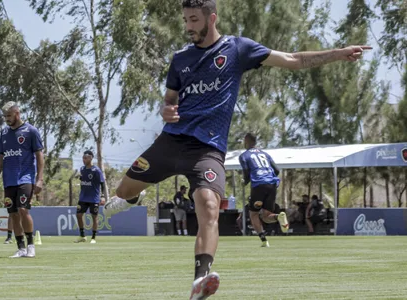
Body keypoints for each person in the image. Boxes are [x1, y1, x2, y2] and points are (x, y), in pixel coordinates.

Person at [103, 0, 371, 298]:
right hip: (170, 142)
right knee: (123, 191)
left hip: (207, 150)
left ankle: (199, 282)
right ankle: (132, 198)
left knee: (208, 206)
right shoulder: (180, 59)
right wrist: (167, 109)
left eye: (194, 19)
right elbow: (169, 99)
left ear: (211, 18)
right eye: (185, 20)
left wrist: (338, 54)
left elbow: (293, 59)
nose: (188, 26)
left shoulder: (237, 49)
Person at [0, 102, 44, 258]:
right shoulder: (5, 133)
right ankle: (20, 247)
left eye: (9, 116)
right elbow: (1, 157)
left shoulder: (31, 131)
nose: (6, 119)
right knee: (13, 213)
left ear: (17, 113)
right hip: (9, 180)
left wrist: (39, 179)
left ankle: (31, 246)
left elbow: (39, 156)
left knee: (23, 209)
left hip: (25, 177)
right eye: (5, 116)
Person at [239, 133, 288, 247]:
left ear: (246, 141)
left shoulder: (244, 156)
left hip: (258, 185)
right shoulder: (265, 154)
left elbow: (246, 173)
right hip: (271, 184)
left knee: (254, 214)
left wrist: (244, 182)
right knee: (266, 216)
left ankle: (264, 241)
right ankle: (278, 216)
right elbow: (276, 170)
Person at [74, 150, 106, 244]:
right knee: (79, 215)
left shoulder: (96, 170)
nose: (84, 160)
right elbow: (84, 179)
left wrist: (102, 196)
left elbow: (102, 183)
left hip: (94, 198)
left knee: (94, 217)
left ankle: (93, 237)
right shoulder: (82, 169)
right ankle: (82, 235)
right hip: (83, 197)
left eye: (85, 158)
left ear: (91, 158)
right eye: (83, 158)